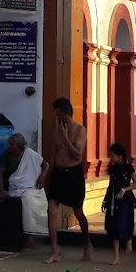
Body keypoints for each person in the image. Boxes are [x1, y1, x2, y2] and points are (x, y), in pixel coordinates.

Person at [44, 96, 92, 263]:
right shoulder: (57, 130)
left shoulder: (80, 130)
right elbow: (53, 154)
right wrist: (46, 173)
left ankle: (87, 243)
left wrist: (65, 137)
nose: (59, 119)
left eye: (61, 115)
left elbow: (78, 154)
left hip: (74, 173)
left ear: (68, 113)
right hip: (58, 172)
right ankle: (55, 250)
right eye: (57, 116)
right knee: (52, 210)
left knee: (78, 212)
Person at [102, 142, 136, 265]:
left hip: (125, 199)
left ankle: (129, 239)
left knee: (123, 222)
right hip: (113, 199)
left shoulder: (128, 167)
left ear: (120, 156)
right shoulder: (112, 169)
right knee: (112, 225)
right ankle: (116, 256)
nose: (111, 158)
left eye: (112, 156)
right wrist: (105, 199)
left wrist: (124, 190)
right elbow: (110, 184)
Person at [0, 132, 47, 199]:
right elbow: (0, 173)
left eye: (12, 144)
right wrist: (1, 191)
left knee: (31, 199)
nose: (8, 146)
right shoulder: (7, 155)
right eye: (9, 143)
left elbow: (45, 164)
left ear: (19, 146)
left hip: (30, 187)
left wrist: (42, 176)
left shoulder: (30, 154)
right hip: (14, 188)